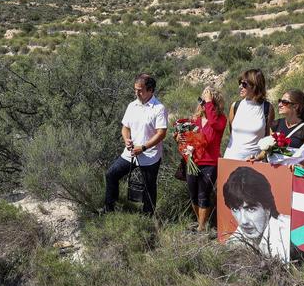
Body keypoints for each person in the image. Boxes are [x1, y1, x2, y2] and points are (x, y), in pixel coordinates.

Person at [104, 74, 168, 215]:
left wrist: (144, 147)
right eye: (135, 89)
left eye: (140, 90)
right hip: (131, 153)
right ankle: (109, 210)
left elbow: (161, 133)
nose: (137, 93)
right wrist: (126, 139)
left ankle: (148, 217)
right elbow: (125, 127)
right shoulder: (132, 105)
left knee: (149, 187)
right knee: (111, 174)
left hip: (150, 155)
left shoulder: (159, 108)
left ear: (150, 90)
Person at [174, 86, 227, 232]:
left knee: (203, 194)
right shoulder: (195, 120)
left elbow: (213, 125)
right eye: (202, 101)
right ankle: (201, 223)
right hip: (193, 161)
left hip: (210, 163)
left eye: (207, 102)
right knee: (193, 195)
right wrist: (178, 138)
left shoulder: (220, 120)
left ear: (214, 104)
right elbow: (186, 138)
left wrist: (209, 103)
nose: (203, 104)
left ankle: (201, 228)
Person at [222, 166, 290, 260]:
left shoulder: (284, 236)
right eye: (235, 209)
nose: (243, 221)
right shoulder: (248, 227)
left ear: (267, 208)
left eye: (251, 209)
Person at [223, 69, 275, 161]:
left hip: (254, 161)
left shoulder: (267, 108)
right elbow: (232, 132)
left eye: (244, 84)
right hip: (230, 159)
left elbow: (268, 137)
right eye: (240, 83)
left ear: (254, 86)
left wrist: (260, 157)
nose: (240, 87)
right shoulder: (235, 106)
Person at [268, 89, 304, 164]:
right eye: (280, 101)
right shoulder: (276, 124)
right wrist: (256, 158)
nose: (279, 105)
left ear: (295, 106)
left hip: (290, 170)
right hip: (271, 168)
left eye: (284, 102)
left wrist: (295, 163)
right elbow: (267, 149)